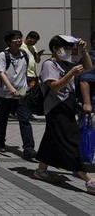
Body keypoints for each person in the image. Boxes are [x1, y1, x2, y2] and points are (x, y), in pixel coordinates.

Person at [32, 35, 95, 195]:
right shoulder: (49, 64)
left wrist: (84, 50)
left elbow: (88, 67)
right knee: (71, 142)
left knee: (52, 138)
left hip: (68, 106)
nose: (68, 51)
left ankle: (41, 170)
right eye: (65, 48)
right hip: (56, 108)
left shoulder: (66, 64)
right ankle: (89, 180)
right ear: (55, 49)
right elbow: (54, 86)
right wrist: (71, 74)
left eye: (69, 48)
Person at [0, 30, 36, 160]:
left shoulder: (24, 54)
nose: (18, 40)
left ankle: (29, 149)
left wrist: (27, 87)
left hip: (21, 93)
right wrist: (11, 87)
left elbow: (24, 72)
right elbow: (1, 72)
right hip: (6, 93)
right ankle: (0, 142)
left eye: (19, 38)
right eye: (15, 38)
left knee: (24, 120)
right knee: (3, 118)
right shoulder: (3, 55)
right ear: (8, 42)